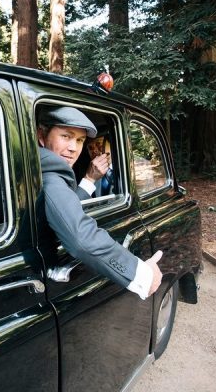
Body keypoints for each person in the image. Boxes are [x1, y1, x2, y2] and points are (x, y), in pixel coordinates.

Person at [36, 106, 162, 299]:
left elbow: (61, 209)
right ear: (41, 136)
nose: (73, 148)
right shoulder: (52, 176)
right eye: (66, 136)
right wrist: (142, 275)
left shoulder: (26, 169)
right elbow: (80, 237)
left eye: (80, 140)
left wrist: (88, 179)